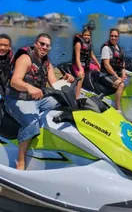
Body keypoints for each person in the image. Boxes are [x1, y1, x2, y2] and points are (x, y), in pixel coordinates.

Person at [5, 33, 74, 170]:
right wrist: (29, 87)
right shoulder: (25, 58)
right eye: (42, 44)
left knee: (62, 102)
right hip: (17, 99)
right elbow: (15, 81)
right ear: (36, 44)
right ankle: (21, 160)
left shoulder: (47, 62)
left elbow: (54, 83)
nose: (44, 47)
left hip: (37, 99)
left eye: (47, 46)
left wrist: (66, 79)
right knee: (32, 121)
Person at [100, 28, 127, 111]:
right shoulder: (106, 48)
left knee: (129, 80)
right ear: (109, 36)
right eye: (112, 36)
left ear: (118, 37)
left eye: (115, 36)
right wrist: (117, 77)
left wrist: (123, 74)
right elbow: (107, 65)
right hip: (106, 75)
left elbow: (122, 63)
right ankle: (118, 109)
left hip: (116, 74)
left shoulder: (120, 49)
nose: (113, 38)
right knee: (121, 84)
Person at [72, 27, 100, 99]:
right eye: (85, 35)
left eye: (88, 35)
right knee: (81, 77)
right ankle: (77, 97)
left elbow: (92, 55)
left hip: (86, 64)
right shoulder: (78, 44)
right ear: (82, 35)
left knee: (99, 70)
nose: (86, 37)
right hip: (77, 64)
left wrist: (98, 64)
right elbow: (77, 58)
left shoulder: (89, 44)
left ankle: (97, 89)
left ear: (90, 36)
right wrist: (80, 69)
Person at [0, 34, 13, 101]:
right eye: (0, 44)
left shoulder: (12, 60)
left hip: (6, 93)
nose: (2, 47)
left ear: (10, 47)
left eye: (5, 45)